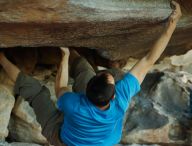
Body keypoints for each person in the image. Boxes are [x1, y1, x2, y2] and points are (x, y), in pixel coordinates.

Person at [0, 1, 181, 145]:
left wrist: (64, 57)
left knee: (36, 92)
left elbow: (61, 86)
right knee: (88, 69)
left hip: (63, 139)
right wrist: (171, 25)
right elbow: (149, 60)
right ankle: (75, 55)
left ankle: (1, 58)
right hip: (96, 137)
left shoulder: (74, 103)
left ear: (84, 92)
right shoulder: (119, 101)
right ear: (113, 97)